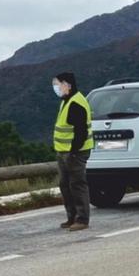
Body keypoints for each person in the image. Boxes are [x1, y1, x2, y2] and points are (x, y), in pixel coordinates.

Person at [52, 72, 93, 231]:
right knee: (65, 185)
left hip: (75, 152)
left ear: (67, 85)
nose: (56, 88)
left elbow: (80, 132)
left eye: (58, 84)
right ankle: (72, 217)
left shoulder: (76, 103)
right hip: (63, 152)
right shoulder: (66, 101)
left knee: (77, 184)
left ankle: (82, 219)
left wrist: (74, 151)